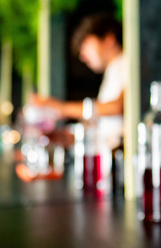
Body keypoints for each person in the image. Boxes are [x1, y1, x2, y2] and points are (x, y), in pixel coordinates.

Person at [32, 12, 126, 149]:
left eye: (86, 44)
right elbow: (105, 126)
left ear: (109, 39)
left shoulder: (127, 63)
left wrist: (62, 108)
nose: (82, 56)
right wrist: (67, 137)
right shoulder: (112, 71)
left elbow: (117, 107)